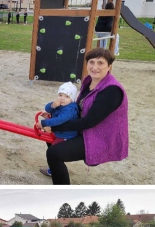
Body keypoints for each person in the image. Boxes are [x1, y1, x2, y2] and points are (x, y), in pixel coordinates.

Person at [41, 48, 129, 185]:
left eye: (100, 63)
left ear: (109, 66)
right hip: (85, 129)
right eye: (91, 62)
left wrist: (54, 124)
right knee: (51, 137)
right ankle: (55, 168)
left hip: (100, 136)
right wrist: (55, 113)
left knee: (54, 153)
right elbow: (77, 107)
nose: (95, 67)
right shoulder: (88, 82)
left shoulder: (111, 90)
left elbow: (90, 121)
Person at [39, 82, 80, 176]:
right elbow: (47, 108)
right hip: (59, 131)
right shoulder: (60, 104)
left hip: (66, 135)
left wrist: (44, 123)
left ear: (72, 99)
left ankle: (54, 170)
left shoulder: (70, 109)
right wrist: (53, 105)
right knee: (50, 144)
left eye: (66, 96)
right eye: (60, 95)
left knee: (53, 153)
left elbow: (59, 120)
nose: (62, 98)